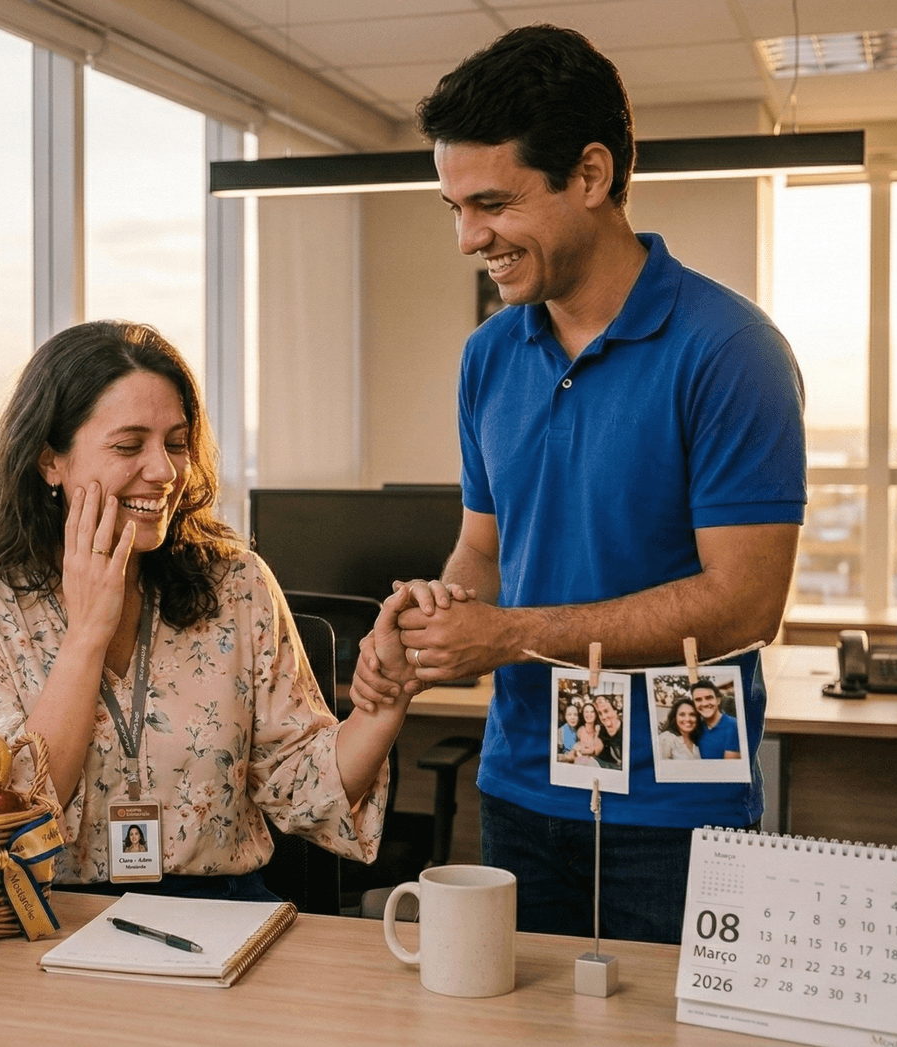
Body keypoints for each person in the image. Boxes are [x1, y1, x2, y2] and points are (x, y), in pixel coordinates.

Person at [350, 25, 805, 944]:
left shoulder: (728, 352)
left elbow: (747, 602)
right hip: (519, 783)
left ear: (590, 176)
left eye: (491, 203)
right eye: (454, 207)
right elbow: (483, 546)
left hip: (677, 803)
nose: (468, 236)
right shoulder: (488, 356)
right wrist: (432, 624)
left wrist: (509, 635)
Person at [0, 320, 407, 901]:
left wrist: (383, 704)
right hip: (52, 916)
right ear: (48, 461)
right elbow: (12, 820)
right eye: (129, 445)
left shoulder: (238, 584)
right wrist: (86, 637)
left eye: (176, 443)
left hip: (224, 912)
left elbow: (303, 785)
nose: (163, 471)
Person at [690, 679, 742, 759]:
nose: (704, 704)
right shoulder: (696, 728)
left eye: (709, 698)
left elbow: (730, 768)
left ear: (718, 700)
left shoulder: (733, 725)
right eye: (698, 700)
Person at [656, 696, 702, 761]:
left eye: (692, 714)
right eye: (682, 714)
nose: (688, 719)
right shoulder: (666, 739)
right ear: (675, 717)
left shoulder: (697, 741)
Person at [592, 693, 624, 771]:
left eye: (606, 711)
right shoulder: (599, 733)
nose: (603, 717)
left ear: (616, 710)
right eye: (600, 713)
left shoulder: (626, 730)